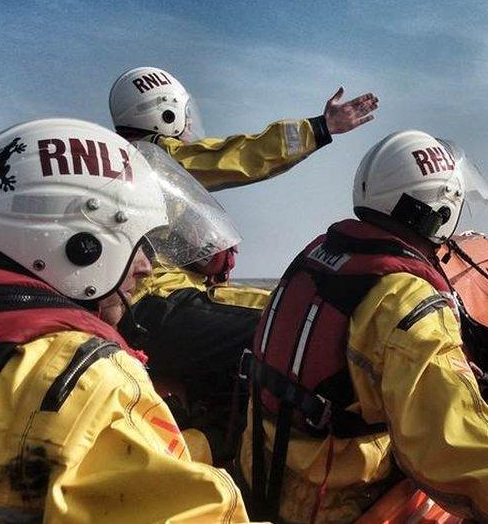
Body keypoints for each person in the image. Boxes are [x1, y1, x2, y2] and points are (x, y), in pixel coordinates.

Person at [240, 130, 488, 523]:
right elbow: (455, 446)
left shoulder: (318, 256)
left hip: (262, 471)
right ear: (437, 212)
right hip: (333, 500)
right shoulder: (405, 301)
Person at [0, 118, 248, 521]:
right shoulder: (80, 372)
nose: (144, 268)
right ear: (82, 247)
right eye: (137, 246)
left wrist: (196, 442)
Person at [107, 67, 379, 465]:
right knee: (291, 332)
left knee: (278, 305)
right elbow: (241, 155)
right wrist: (321, 127)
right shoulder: (155, 159)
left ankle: (226, 428)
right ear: (166, 116)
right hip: (158, 305)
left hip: (166, 300)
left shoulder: (117, 167)